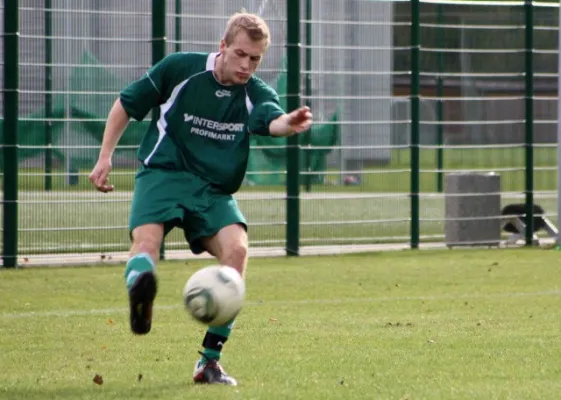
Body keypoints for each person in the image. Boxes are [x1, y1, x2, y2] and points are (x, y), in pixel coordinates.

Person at [88, 11, 313, 386]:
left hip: (212, 189)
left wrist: (288, 124)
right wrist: (105, 156)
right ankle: (140, 290)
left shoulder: (254, 92)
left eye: (255, 59)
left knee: (237, 251)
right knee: (147, 241)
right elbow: (126, 104)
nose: (246, 65)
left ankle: (209, 362)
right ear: (222, 46)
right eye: (240, 54)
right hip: (163, 172)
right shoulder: (181, 69)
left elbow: (271, 120)